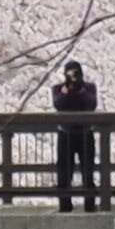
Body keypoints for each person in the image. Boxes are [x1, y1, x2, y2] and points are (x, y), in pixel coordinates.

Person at [48, 55, 106, 204]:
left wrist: (79, 90)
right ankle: (65, 205)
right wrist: (67, 90)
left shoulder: (89, 88)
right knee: (64, 173)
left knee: (88, 172)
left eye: (76, 73)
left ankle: (90, 205)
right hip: (65, 134)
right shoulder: (58, 89)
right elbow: (59, 104)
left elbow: (90, 104)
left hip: (85, 133)